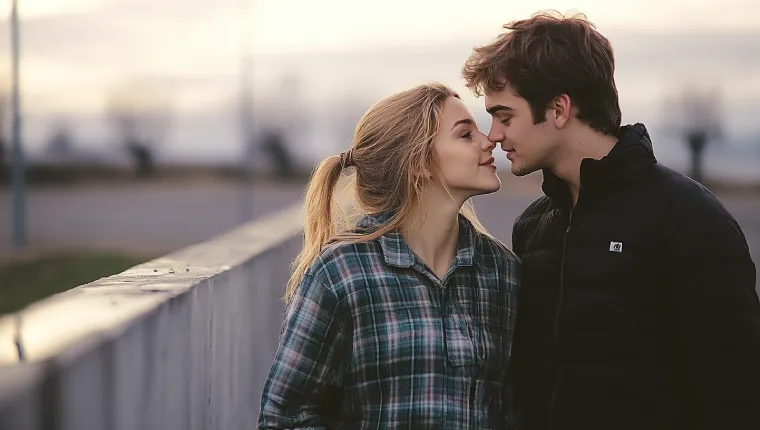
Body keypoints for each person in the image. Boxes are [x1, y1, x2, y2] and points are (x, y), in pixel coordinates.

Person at [462, 11, 760, 430]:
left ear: (559, 109)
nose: (493, 134)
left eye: (505, 117)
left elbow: (737, 394)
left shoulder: (688, 219)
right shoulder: (534, 227)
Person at [258, 82, 521, 429]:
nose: (488, 141)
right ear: (419, 163)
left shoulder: (503, 273)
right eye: (465, 134)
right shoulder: (341, 273)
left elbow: (512, 411)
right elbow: (286, 417)